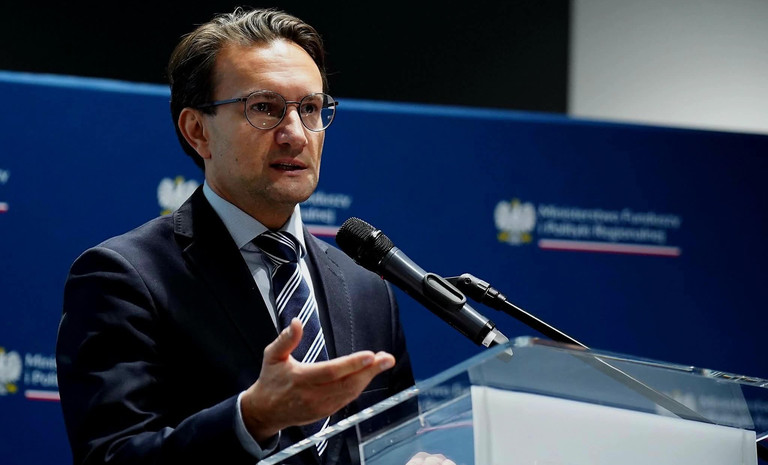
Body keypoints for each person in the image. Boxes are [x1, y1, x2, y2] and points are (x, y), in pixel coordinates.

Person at [55, 7, 414, 465]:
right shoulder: (123, 279)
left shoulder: (366, 288)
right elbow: (112, 457)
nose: (295, 135)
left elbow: (398, 442)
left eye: (310, 108)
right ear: (197, 131)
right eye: (264, 108)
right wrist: (251, 418)